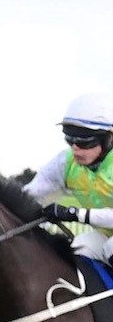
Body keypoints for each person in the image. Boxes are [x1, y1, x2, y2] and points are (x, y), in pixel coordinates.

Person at [26, 92, 113, 263]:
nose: (75, 149)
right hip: (104, 234)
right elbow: (28, 195)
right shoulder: (65, 163)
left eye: (84, 142)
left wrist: (76, 214)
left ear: (109, 139)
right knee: (78, 248)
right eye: (69, 140)